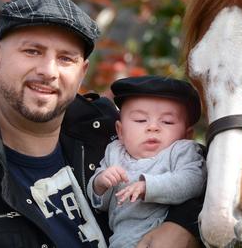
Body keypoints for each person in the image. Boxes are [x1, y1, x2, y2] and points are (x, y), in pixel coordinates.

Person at [0, 0, 202, 247]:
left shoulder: (110, 135)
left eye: (65, 58)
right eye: (32, 51)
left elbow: (211, 173)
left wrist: (183, 226)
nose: (49, 71)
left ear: (82, 73)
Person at [87, 75, 206, 248]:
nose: (153, 127)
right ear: (120, 131)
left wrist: (149, 186)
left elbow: (194, 181)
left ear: (187, 134)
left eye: (167, 121)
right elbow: (100, 204)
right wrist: (100, 184)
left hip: (164, 233)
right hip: (121, 240)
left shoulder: (181, 150)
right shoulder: (114, 152)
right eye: (140, 120)